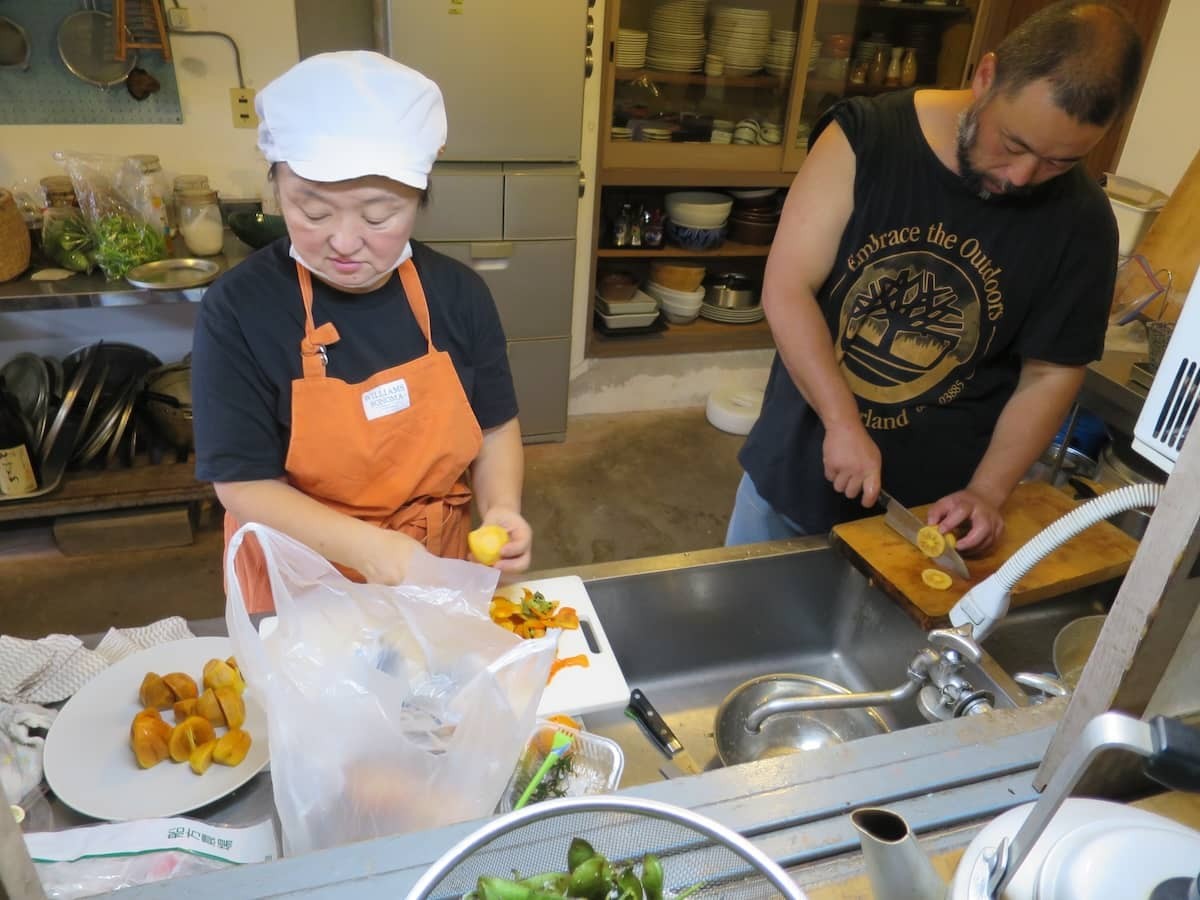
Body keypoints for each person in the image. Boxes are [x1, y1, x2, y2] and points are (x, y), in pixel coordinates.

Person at [727, 1, 1142, 556]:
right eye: (1013, 144)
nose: (1021, 177)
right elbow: (787, 287)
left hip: (934, 514)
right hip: (794, 472)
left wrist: (988, 491)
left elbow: (1049, 374)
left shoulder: (1083, 224)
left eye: (1059, 163)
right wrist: (841, 421)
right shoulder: (868, 138)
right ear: (986, 76)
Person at [191, 51, 531, 613]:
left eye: (378, 216)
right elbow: (241, 484)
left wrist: (501, 508)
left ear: (421, 197)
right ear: (275, 186)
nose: (345, 242)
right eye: (313, 211)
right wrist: (375, 552)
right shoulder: (238, 309)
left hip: (432, 562)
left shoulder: (460, 295)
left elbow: (495, 426)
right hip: (298, 576)